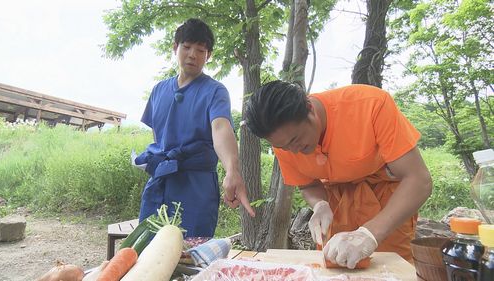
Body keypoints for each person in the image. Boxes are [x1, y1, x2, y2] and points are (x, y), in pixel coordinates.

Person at [244, 80, 432, 268]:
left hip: (388, 203)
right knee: (334, 269)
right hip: (336, 209)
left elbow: (418, 180)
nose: (293, 150)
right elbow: (308, 185)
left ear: (310, 109)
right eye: (283, 147)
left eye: (296, 139)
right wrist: (320, 204)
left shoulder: (371, 104)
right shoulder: (284, 141)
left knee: (390, 271)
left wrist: (369, 234)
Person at [135, 18, 255, 238]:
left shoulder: (215, 91)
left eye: (200, 50)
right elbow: (158, 137)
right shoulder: (159, 90)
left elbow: (220, 128)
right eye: (187, 47)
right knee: (148, 253)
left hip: (196, 187)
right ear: (175, 48)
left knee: (191, 254)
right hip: (161, 182)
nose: (192, 55)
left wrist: (232, 170)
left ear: (208, 56)